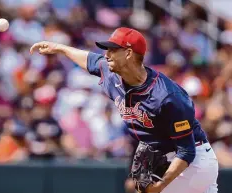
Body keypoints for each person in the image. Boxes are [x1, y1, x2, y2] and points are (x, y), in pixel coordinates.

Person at [30, 27, 219, 193]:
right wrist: (60, 48)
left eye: (112, 50)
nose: (106, 54)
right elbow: (90, 60)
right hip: (167, 155)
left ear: (128, 53)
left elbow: (187, 151)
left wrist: (160, 186)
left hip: (191, 163)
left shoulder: (168, 97)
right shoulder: (112, 73)